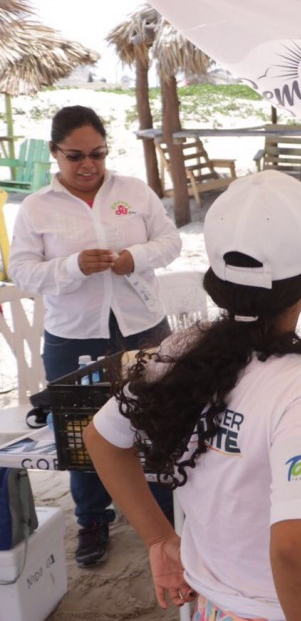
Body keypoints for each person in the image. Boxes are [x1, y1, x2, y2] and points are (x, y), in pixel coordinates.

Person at [84, 170, 301, 621]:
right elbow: (296, 544)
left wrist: (160, 539)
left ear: (218, 280)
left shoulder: (182, 349)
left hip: (212, 606)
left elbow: (102, 439)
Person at [9, 105, 181, 568]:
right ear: (55, 154)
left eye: (98, 154)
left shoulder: (133, 192)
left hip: (142, 325)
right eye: (75, 156)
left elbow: (170, 242)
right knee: (81, 431)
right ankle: (93, 519)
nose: (88, 165)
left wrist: (133, 257)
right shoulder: (37, 207)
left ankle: (166, 515)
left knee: (156, 421)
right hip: (72, 336)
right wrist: (72, 266)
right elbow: (21, 272)